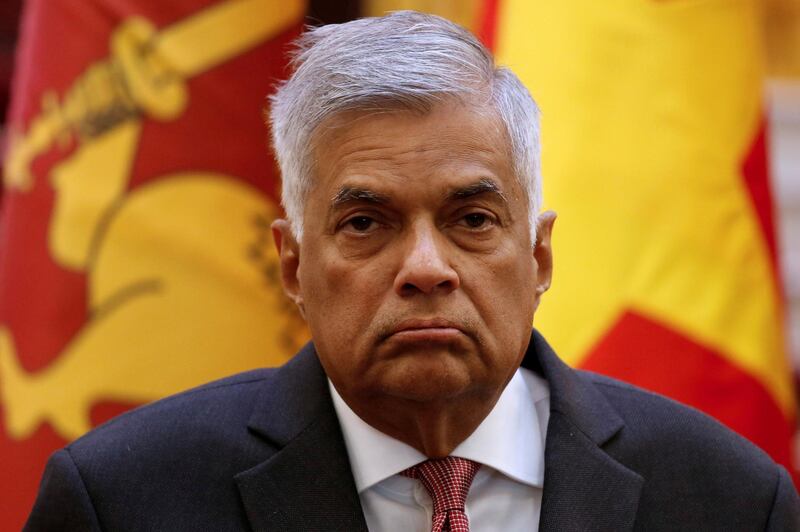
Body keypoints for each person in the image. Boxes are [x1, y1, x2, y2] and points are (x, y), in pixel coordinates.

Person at [25, 11, 799, 531]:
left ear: (539, 257)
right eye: (366, 224)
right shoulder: (121, 502)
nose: (427, 268)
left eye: (472, 220)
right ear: (292, 266)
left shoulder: (727, 498)